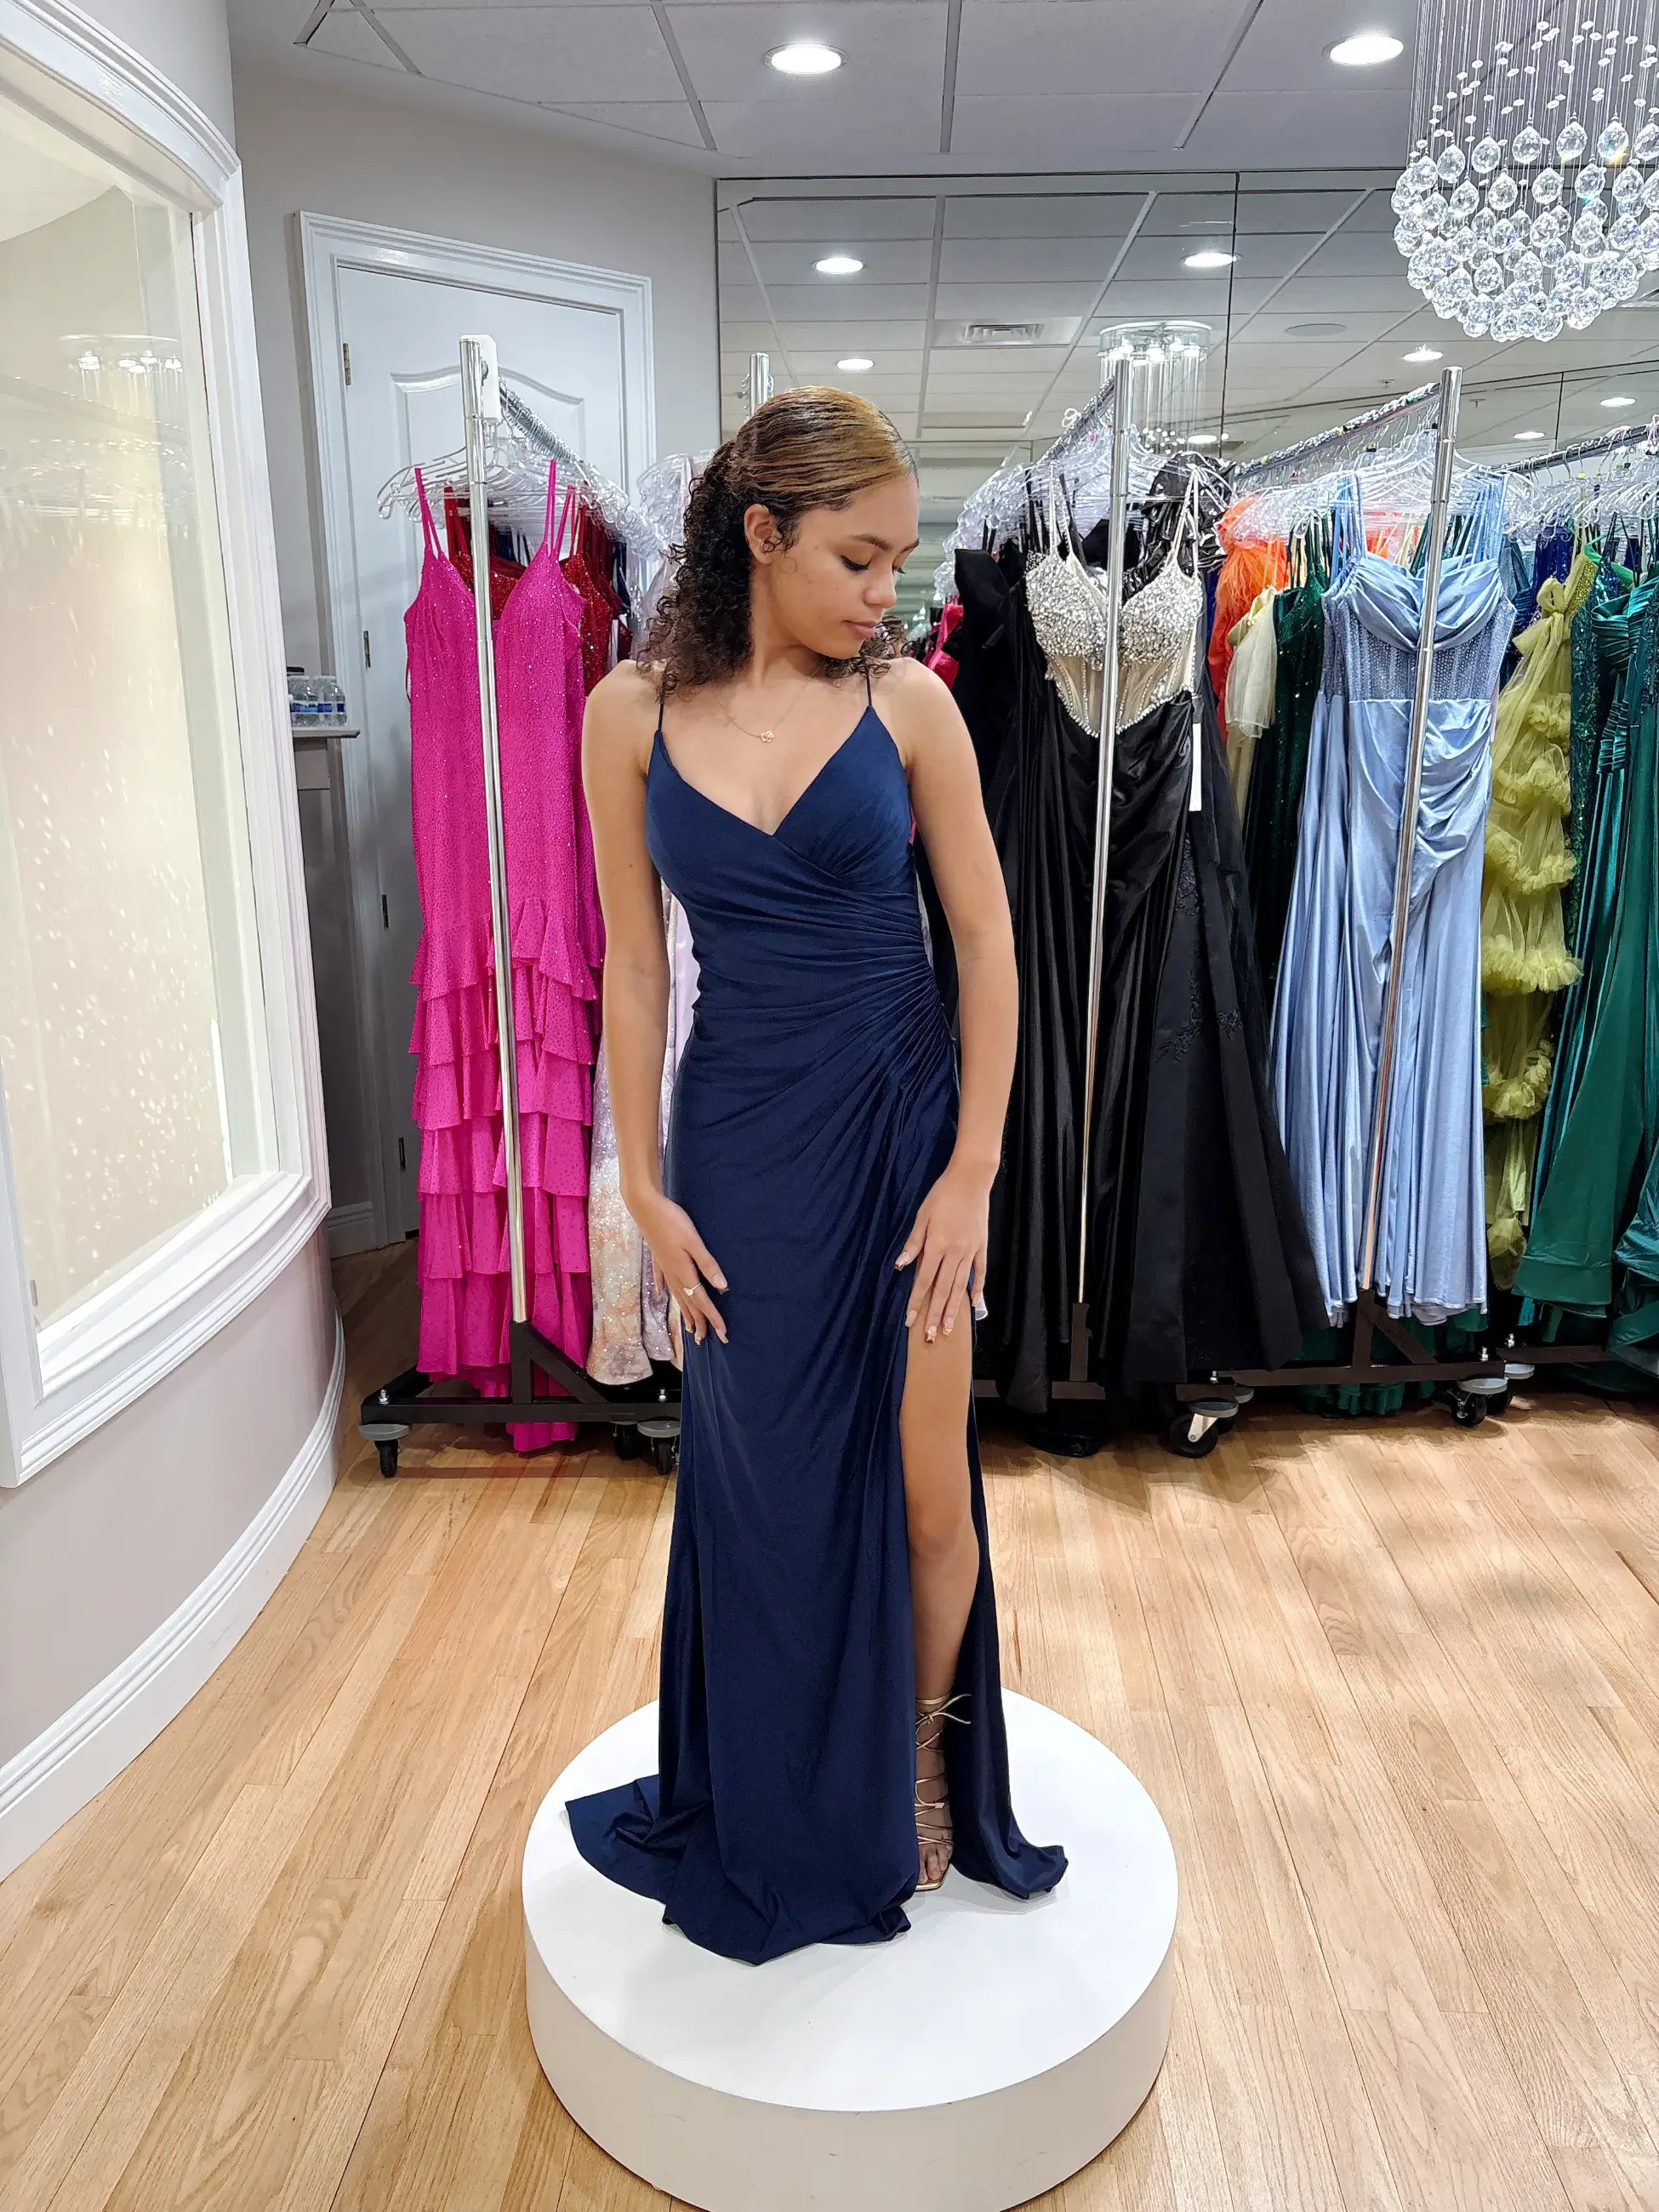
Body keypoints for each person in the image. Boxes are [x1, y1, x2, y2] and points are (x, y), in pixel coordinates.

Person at [566, 387, 1065, 1964]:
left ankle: (918, 1756)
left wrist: (974, 1166)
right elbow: (634, 973)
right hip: (736, 1152)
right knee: (760, 1486)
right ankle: (768, 1779)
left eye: (901, 562)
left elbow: (986, 943)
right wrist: (638, 1188)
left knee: (928, 1494)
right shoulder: (627, 714)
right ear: (762, 535)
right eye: (857, 558)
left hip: (906, 1129)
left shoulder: (913, 708)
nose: (886, 594)